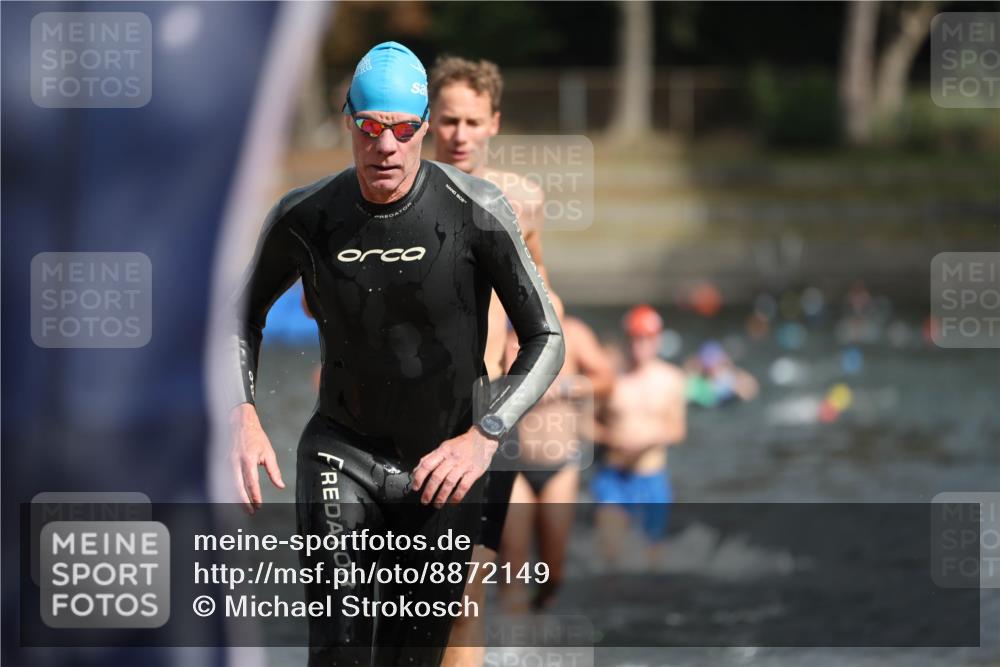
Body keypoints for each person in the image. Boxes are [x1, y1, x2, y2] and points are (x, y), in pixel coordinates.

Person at [227, 42, 564, 667]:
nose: (386, 146)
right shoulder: (305, 216)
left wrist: (485, 434)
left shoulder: (477, 211)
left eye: (403, 129)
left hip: (448, 461)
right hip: (342, 452)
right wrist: (242, 414)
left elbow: (547, 335)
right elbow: (236, 314)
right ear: (349, 122)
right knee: (340, 653)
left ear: (423, 128)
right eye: (370, 128)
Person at [427, 56, 562, 666]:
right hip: (408, 414)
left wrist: (525, 336)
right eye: (449, 120)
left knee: (463, 595)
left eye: (472, 121)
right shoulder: (397, 193)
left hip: (485, 416)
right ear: (429, 122)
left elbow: (542, 286)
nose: (459, 134)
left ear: (493, 123)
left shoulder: (521, 200)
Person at [498, 314, 614, 613]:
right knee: (513, 565)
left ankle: (541, 611)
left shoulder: (573, 332)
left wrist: (565, 387)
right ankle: (514, 646)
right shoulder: (501, 336)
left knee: (553, 572)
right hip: (515, 467)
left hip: (560, 464)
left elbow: (606, 380)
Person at [592, 305, 686, 567]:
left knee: (651, 558)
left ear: (657, 340)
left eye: (646, 339)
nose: (639, 346)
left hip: (652, 474)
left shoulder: (672, 379)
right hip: (614, 474)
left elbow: (678, 430)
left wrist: (647, 440)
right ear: (627, 339)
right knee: (612, 551)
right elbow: (584, 423)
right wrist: (611, 437)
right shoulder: (610, 378)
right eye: (634, 338)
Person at [684, 340, 759, 407]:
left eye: (715, 363)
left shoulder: (730, 378)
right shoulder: (695, 382)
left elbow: (750, 391)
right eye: (708, 365)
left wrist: (734, 369)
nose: (712, 368)